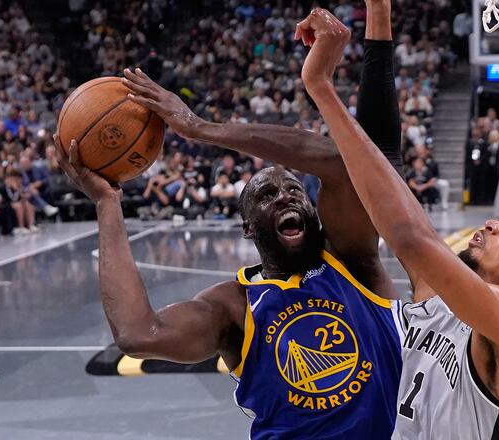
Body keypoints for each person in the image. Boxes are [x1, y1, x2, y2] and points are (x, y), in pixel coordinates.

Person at [59, 3, 405, 438]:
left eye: (294, 191)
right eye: (266, 195)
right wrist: (107, 205)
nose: (284, 197)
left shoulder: (352, 262)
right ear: (247, 227)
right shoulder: (233, 306)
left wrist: (199, 128)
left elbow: (339, 161)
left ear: (314, 211)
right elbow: (137, 334)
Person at [299, 9, 499, 439]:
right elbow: (386, 165)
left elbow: (410, 238)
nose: (492, 224)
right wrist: (380, 16)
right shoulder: (441, 299)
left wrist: (321, 89)